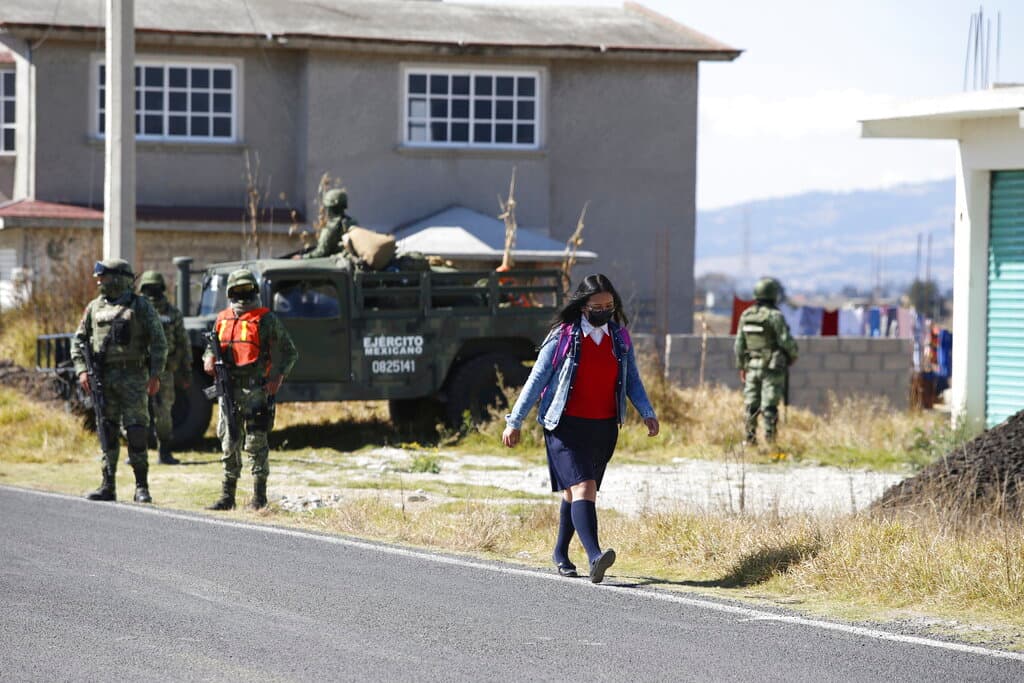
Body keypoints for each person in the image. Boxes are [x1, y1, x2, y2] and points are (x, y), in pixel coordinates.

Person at [502, 273, 659, 583]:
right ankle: (595, 556)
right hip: (564, 426)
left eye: (610, 305)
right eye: (598, 305)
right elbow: (537, 380)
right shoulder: (563, 336)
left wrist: (647, 412)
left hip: (603, 427)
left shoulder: (619, 338)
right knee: (584, 487)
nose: (605, 311)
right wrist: (514, 421)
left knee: (576, 494)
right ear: (583, 306)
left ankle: (560, 553)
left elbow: (632, 381)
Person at [72, 258, 168, 503]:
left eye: (103, 276)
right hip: (103, 379)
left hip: (135, 377)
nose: (98, 281)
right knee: (107, 430)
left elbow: (159, 341)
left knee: (136, 431)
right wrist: (82, 370)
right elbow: (79, 341)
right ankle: (108, 485)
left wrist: (155, 374)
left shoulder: (141, 306)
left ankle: (141, 487)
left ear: (118, 278)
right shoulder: (94, 308)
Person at [204, 269, 298, 510]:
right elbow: (211, 347)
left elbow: (290, 351)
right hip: (227, 390)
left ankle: (259, 498)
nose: (242, 296)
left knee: (256, 443)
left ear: (255, 290)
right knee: (228, 441)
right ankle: (228, 496)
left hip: (256, 391)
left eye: (247, 290)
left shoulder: (266, 319)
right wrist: (209, 358)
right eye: (237, 291)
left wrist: (278, 377)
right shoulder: (222, 318)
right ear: (230, 293)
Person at [734, 276, 799, 445]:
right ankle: (770, 441)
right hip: (771, 367)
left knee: (751, 405)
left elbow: (739, 345)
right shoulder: (775, 316)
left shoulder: (746, 315)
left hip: (752, 366)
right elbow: (786, 340)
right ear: (774, 295)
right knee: (769, 406)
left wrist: (742, 366)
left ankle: (750, 440)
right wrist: (792, 356)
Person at [138, 270, 191, 465]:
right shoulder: (136, 311)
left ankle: (164, 452)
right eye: (148, 289)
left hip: (165, 371)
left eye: (155, 288)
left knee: (163, 413)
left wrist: (186, 370)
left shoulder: (172, 313)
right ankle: (137, 451)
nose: (152, 293)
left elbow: (183, 343)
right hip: (139, 370)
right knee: (137, 412)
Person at [297, 189, 359, 259]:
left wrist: (302, 257)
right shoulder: (352, 223)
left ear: (329, 208)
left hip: (337, 264)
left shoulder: (331, 227)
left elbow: (321, 252)